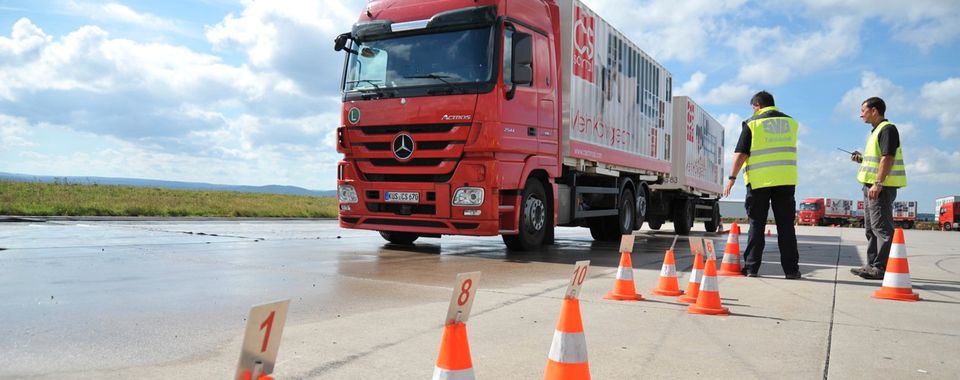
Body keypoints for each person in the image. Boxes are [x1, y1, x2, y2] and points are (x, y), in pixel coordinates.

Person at [722, 91, 801, 279]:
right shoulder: (791, 123)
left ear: (757, 105)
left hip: (759, 181)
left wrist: (732, 178)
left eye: (753, 107)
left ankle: (751, 268)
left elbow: (741, 154)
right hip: (786, 180)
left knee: (757, 225)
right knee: (786, 227)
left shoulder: (752, 123)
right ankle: (791, 270)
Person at [849, 97, 906, 280]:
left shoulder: (887, 129)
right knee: (871, 228)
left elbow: (887, 158)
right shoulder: (876, 131)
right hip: (870, 186)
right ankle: (871, 264)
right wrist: (862, 159)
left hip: (880, 188)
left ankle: (880, 268)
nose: (861, 115)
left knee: (881, 228)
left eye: (863, 110)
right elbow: (876, 159)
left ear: (874, 111)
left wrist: (878, 183)